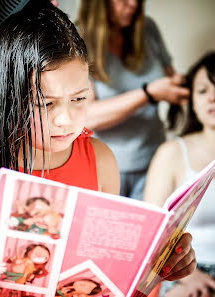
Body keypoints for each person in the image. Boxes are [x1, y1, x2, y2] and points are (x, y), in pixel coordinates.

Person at [0, 1, 196, 296]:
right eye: (46, 103)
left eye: (79, 99)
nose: (65, 120)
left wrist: (156, 265)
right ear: (8, 96)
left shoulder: (100, 159)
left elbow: (104, 277)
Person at [144, 51, 215, 297]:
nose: (214, 98)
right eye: (203, 91)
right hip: (189, 275)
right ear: (192, 101)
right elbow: (149, 231)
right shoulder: (172, 153)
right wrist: (189, 276)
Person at [75, 0, 190, 200]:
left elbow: (170, 80)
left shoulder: (148, 29)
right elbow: (87, 116)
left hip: (153, 162)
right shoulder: (76, 37)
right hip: (104, 167)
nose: (133, 4)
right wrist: (148, 94)